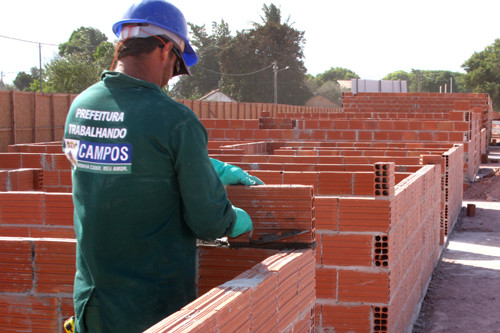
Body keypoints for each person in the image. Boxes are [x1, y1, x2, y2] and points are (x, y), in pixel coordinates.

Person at [62, 1, 263, 332]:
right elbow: (208, 221)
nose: (171, 77)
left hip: (93, 303)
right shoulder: (175, 120)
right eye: (176, 64)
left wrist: (200, 165)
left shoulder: (80, 108)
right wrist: (234, 220)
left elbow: (120, 165)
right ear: (165, 47)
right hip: (152, 308)